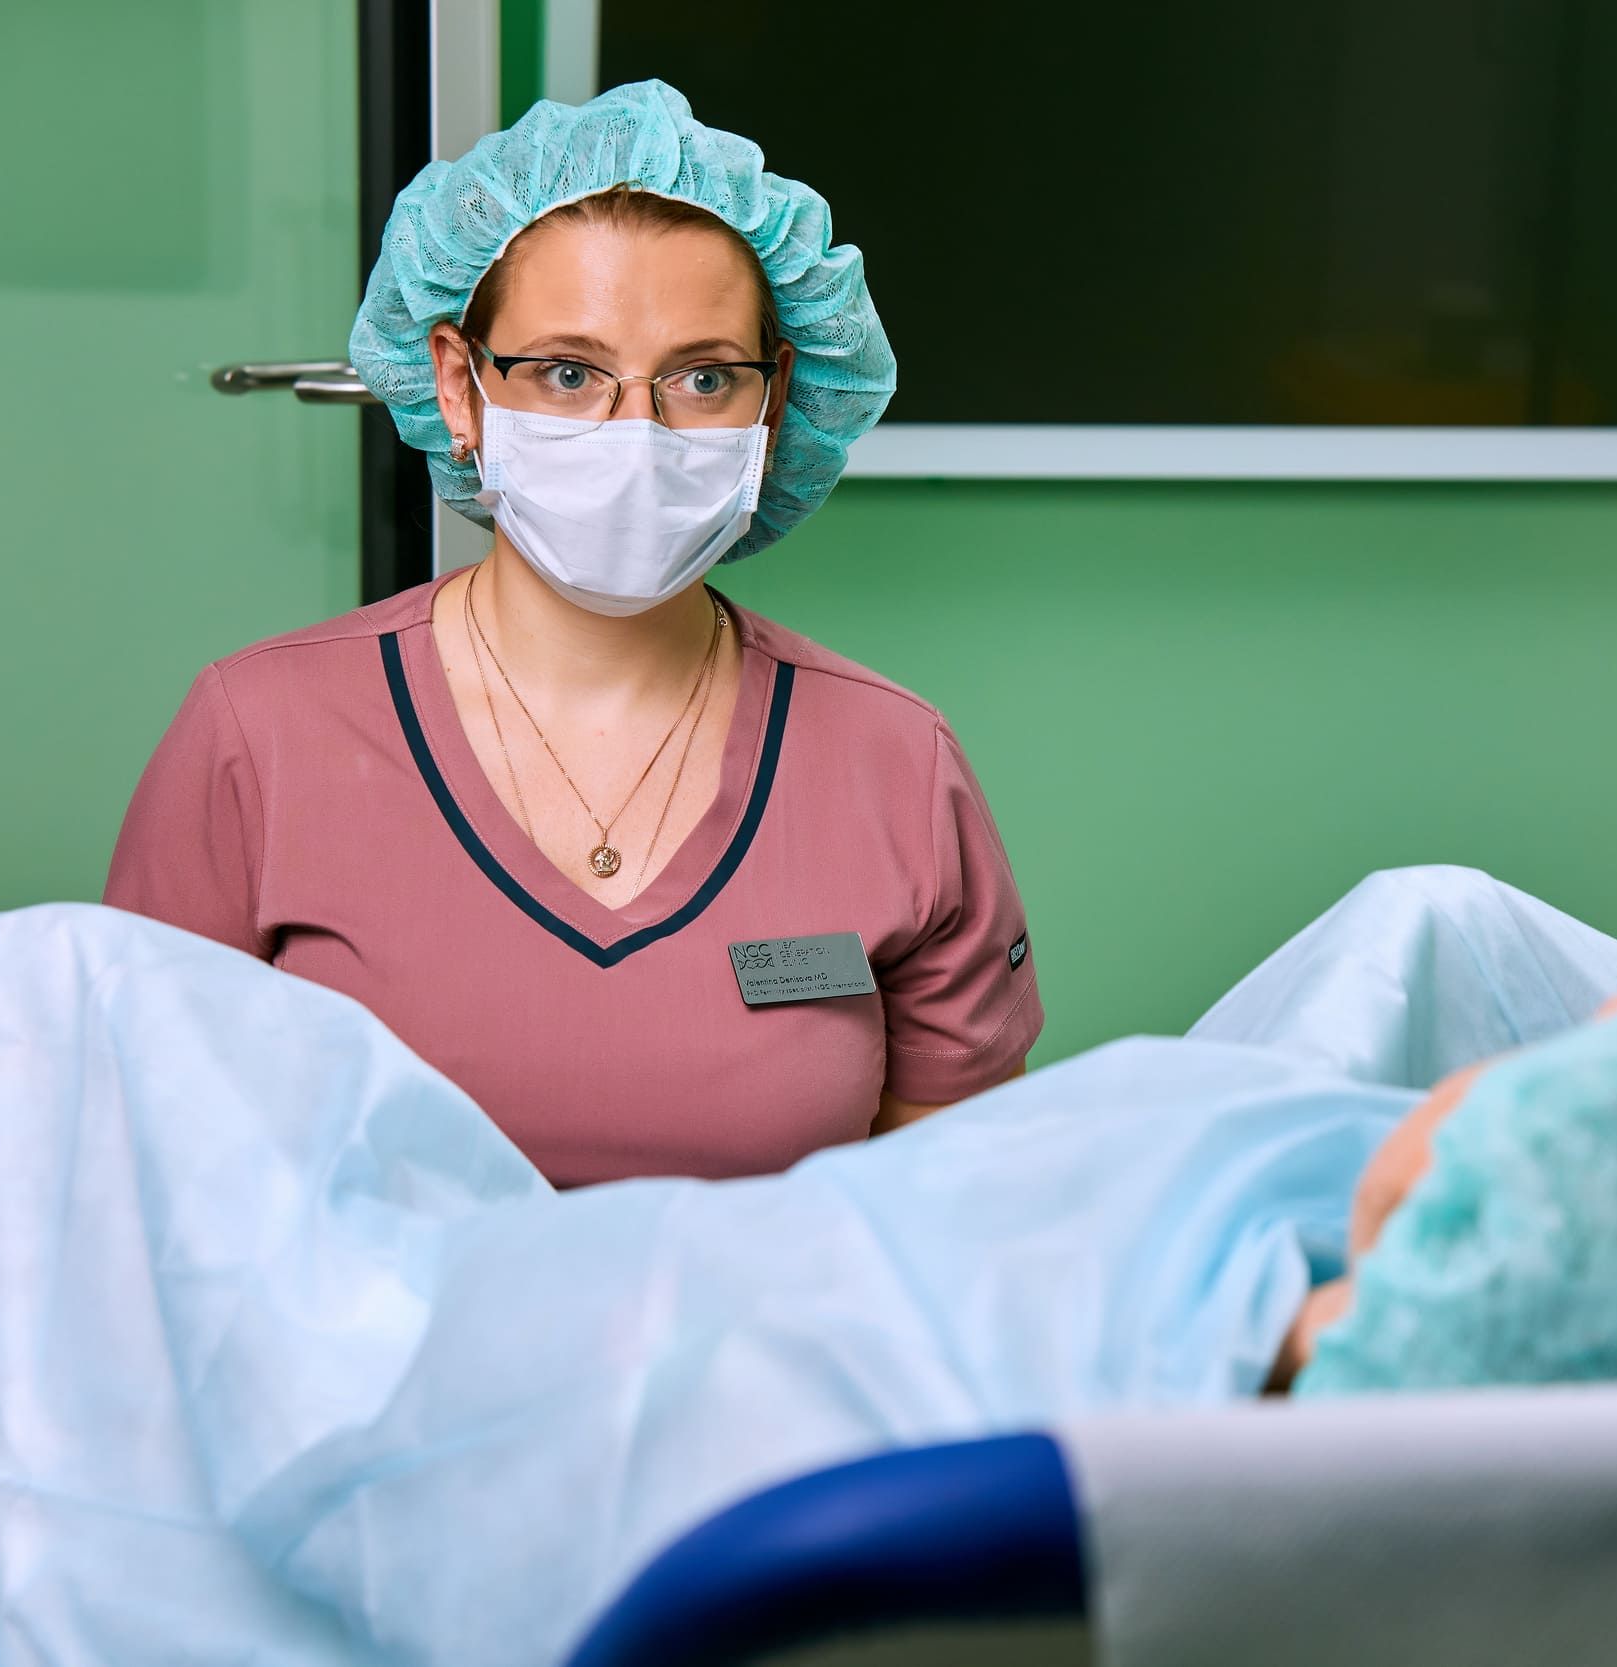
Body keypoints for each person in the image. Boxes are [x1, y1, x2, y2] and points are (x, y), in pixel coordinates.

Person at [0, 867, 1617, 1666]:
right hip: (566, 1282)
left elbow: (496, 1425)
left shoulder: (1096, 1389)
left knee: (47, 1034)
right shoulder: (1304, 1322)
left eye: (1603, 1082)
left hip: (439, 1382)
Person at [104, 82, 1037, 1185]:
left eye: (703, 377)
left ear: (774, 397)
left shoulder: (894, 761)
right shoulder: (261, 736)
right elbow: (147, 1177)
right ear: (458, 387)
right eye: (566, 372)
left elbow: (958, 1210)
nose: (636, 434)